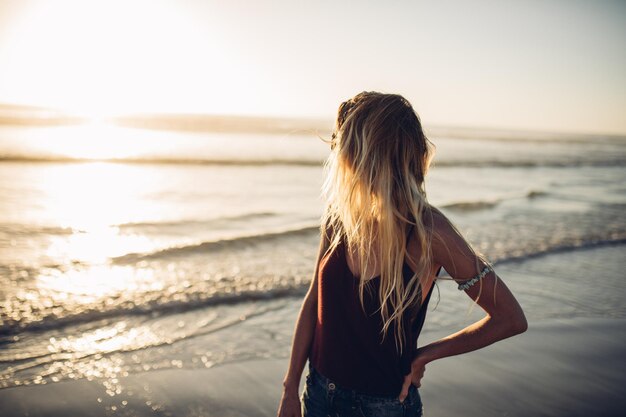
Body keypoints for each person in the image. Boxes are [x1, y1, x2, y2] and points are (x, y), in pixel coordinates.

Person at [277, 92, 527, 417]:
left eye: (346, 142)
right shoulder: (339, 216)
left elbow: (510, 318)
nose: (337, 151)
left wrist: (426, 355)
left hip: (383, 406)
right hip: (320, 393)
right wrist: (289, 389)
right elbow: (313, 301)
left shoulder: (429, 232)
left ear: (369, 150)